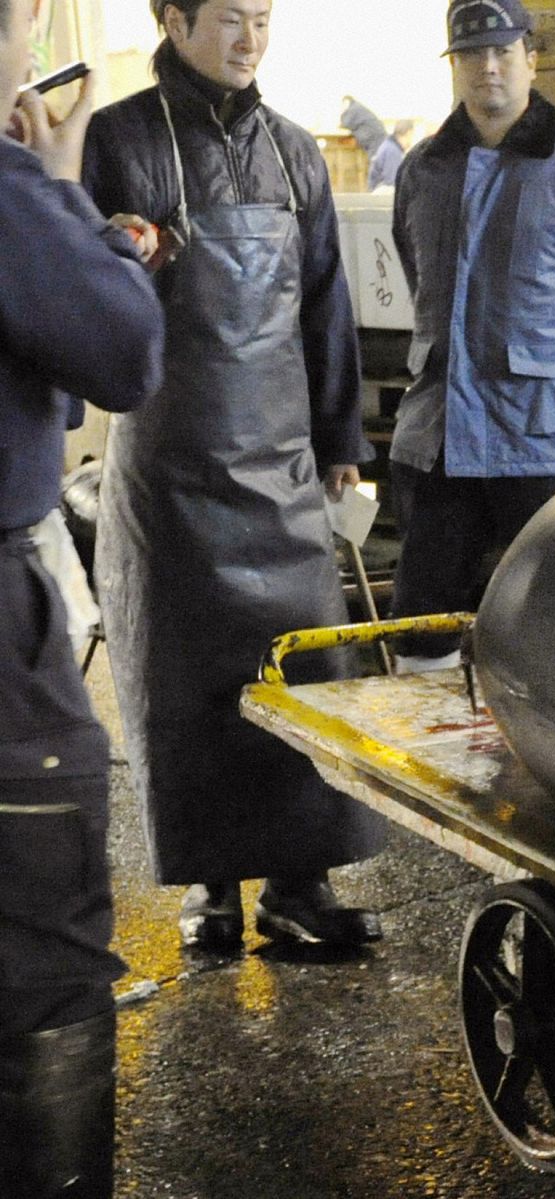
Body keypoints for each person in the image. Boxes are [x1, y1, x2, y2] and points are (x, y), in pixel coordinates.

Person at [81, 0, 389, 952]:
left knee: (298, 674)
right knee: (187, 684)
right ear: (172, 21)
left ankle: (302, 884)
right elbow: (87, 288)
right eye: (228, 19)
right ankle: (210, 889)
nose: (250, 40)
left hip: (281, 468)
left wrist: (342, 436)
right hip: (170, 473)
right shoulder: (121, 138)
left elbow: (326, 298)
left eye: (262, 19)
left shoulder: (295, 151)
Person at [0, 3, 164, 1187]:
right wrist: (61, 202)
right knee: (42, 948)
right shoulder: (9, 193)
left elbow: (42, 389)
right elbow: (118, 354)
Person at [387, 0, 555, 671]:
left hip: (546, 438)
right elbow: (419, 274)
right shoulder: (423, 170)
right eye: (472, 54)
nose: (489, 66)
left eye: (504, 50)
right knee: (421, 625)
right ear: (455, 67)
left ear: (532, 58)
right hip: (442, 436)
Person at [367, 117, 414, 190]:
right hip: (382, 194)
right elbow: (392, 182)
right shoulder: (392, 151)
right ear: (409, 133)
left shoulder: (389, 145)